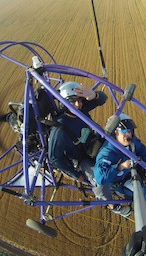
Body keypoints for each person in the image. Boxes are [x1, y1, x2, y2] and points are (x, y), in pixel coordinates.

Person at [48, 81, 131, 216]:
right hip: (82, 159)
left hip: (95, 144)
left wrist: (94, 95)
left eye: (80, 100)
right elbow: (54, 158)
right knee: (99, 178)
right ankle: (112, 205)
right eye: (73, 101)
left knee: (123, 132)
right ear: (64, 103)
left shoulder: (81, 109)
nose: (78, 105)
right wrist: (76, 175)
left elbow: (102, 99)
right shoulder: (59, 130)